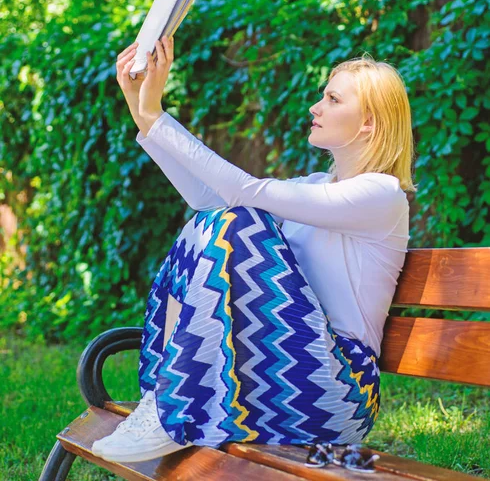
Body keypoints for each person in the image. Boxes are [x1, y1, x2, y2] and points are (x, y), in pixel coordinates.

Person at [92, 36, 416, 463]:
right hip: (288, 368)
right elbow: (212, 201)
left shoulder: (381, 194)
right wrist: (143, 111)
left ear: (369, 122)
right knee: (215, 220)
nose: (315, 107)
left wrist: (156, 115)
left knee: (239, 220)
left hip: (339, 389)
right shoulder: (314, 187)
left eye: (332, 99)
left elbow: (245, 194)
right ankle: (165, 400)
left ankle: (173, 409)